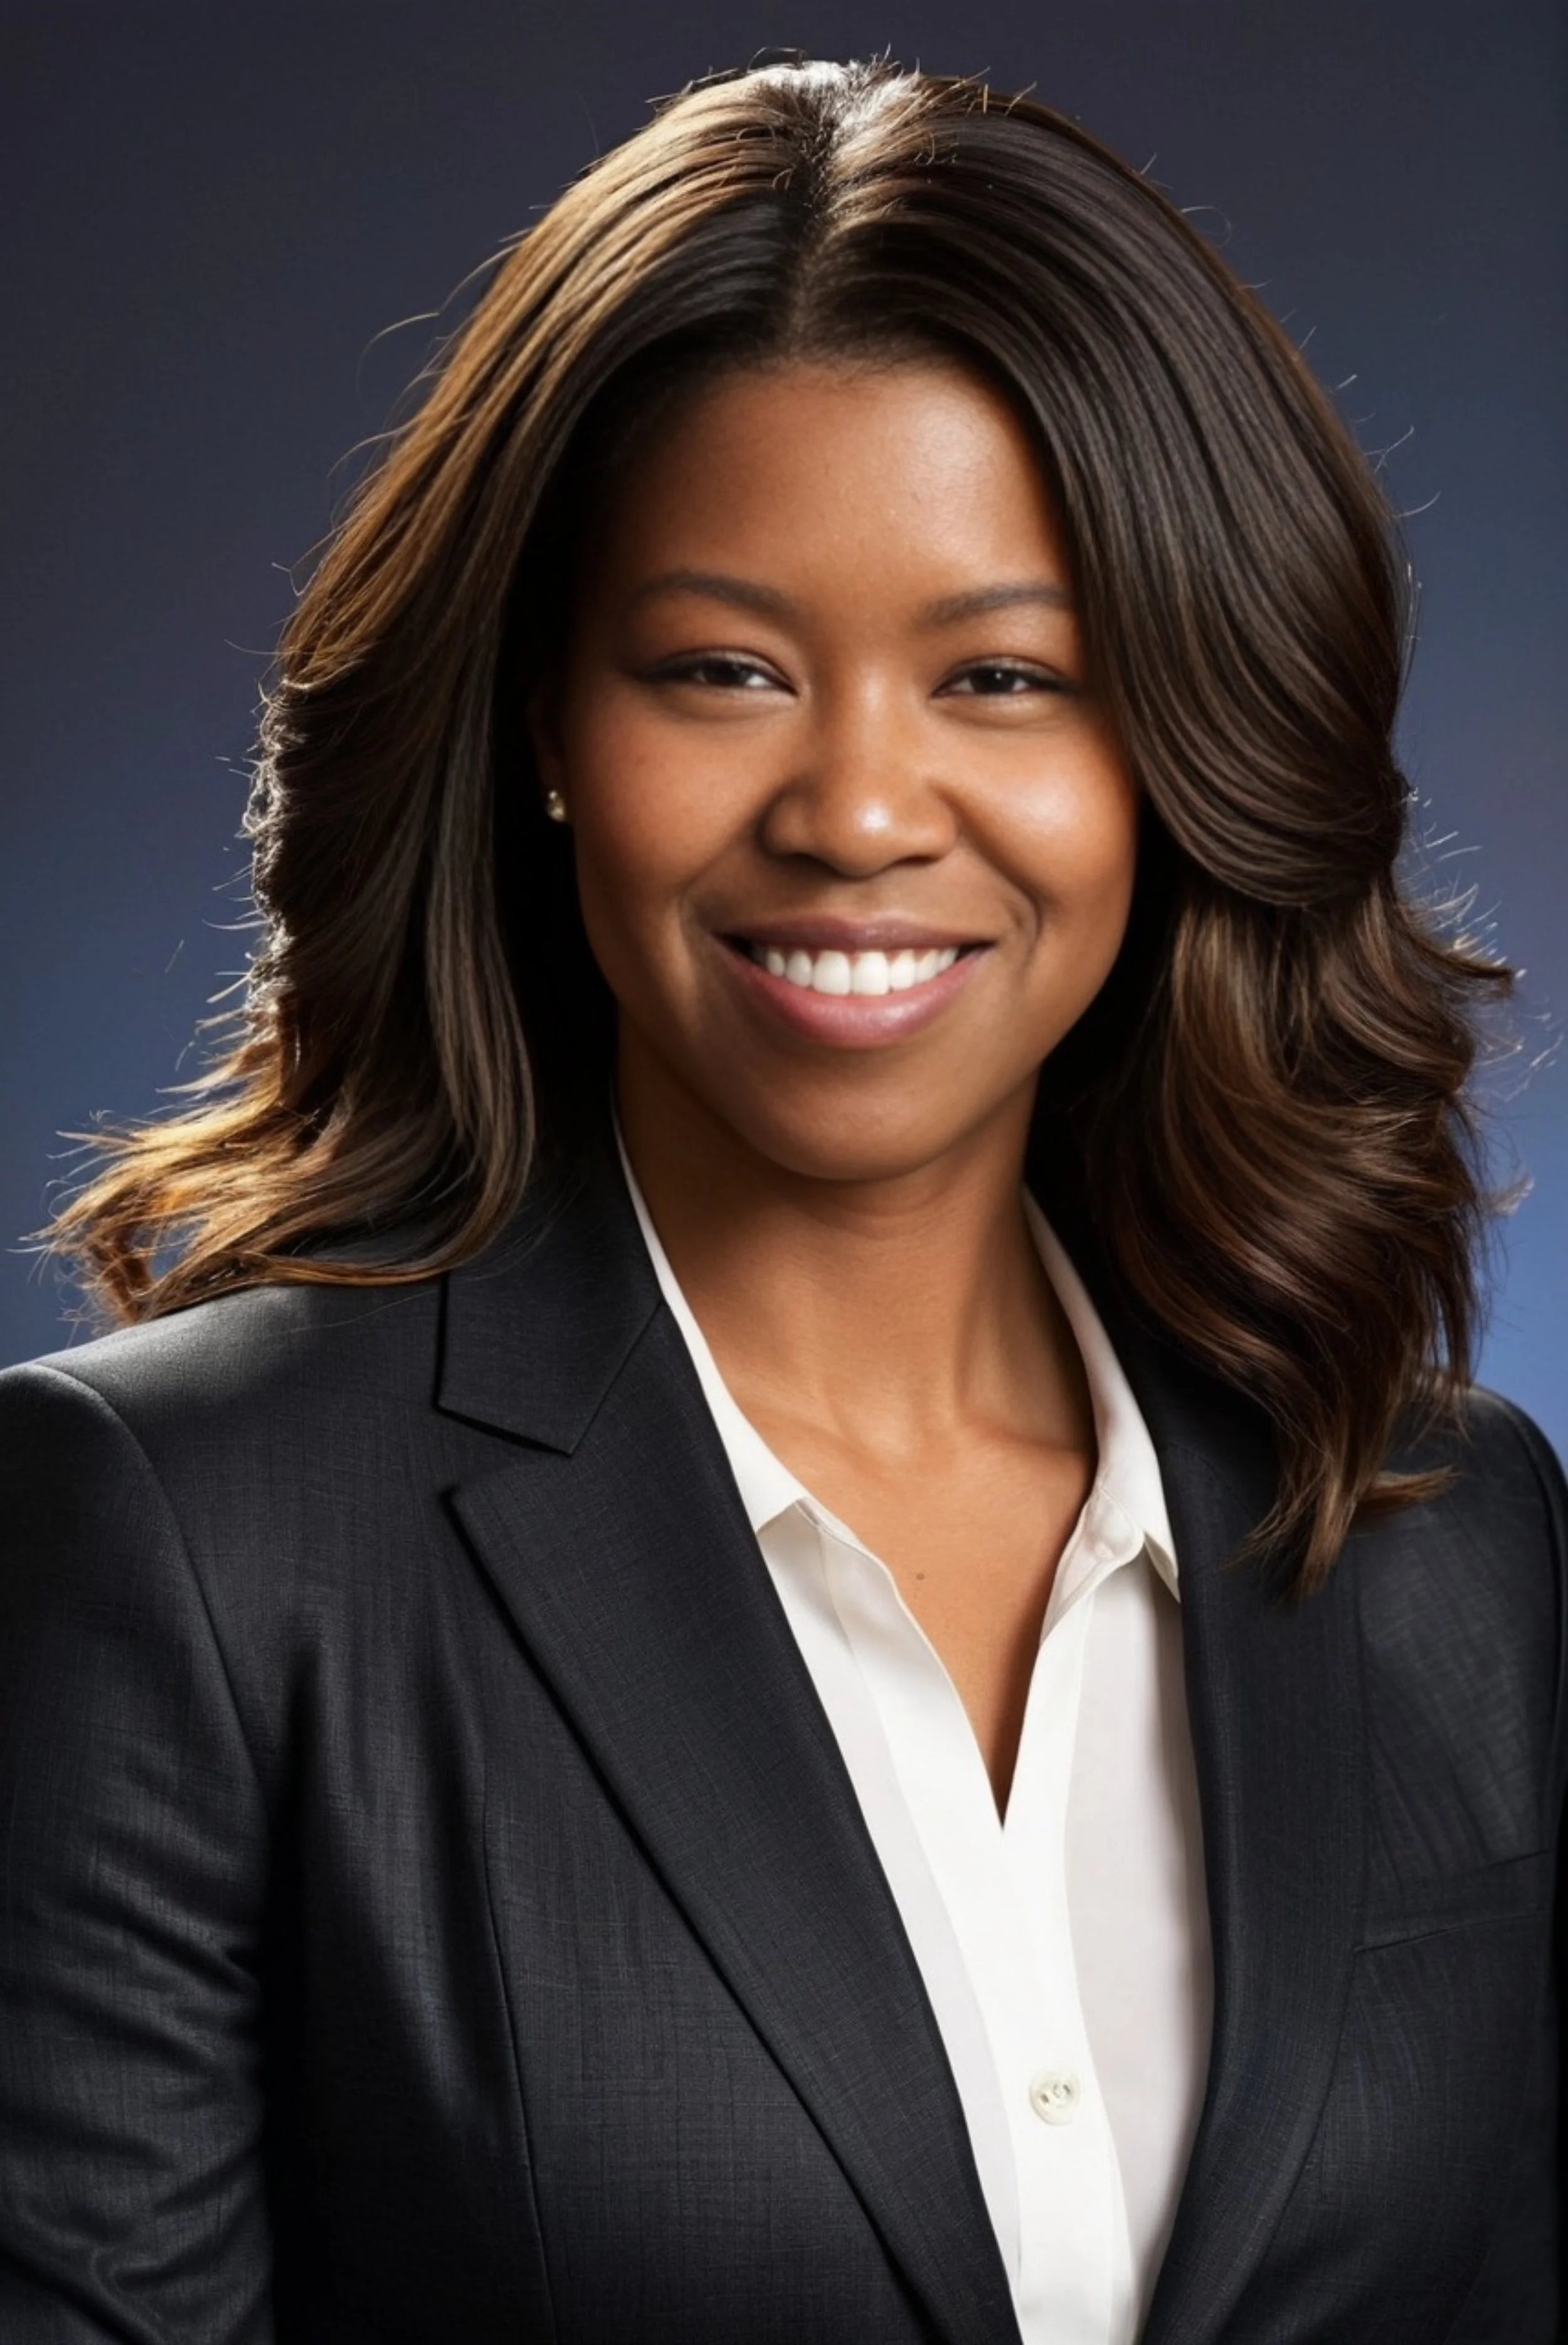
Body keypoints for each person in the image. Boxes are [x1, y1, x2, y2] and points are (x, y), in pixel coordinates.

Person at [0, 51, 1561, 2345]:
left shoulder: (1448, 1532)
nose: (853, 809)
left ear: (1185, 748)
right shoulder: (186, 1545)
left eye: (1004, 676)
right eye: (719, 669)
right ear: (546, 729)